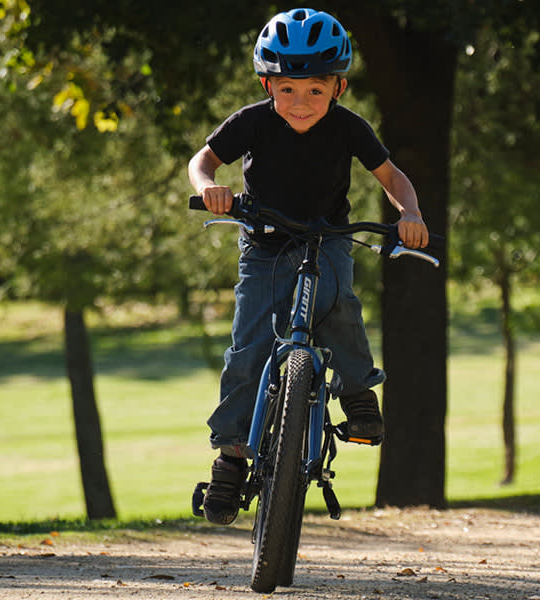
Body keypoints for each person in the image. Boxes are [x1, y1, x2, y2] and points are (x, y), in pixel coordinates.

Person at [188, 8, 430, 525]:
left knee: (339, 305)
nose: (301, 104)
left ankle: (358, 392)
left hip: (327, 239)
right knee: (249, 347)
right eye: (287, 90)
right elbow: (202, 162)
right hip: (264, 242)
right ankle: (231, 459)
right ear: (266, 84)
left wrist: (409, 212)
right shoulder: (251, 121)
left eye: (315, 92)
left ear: (338, 88)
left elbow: (392, 176)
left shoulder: (349, 128)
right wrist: (207, 188)